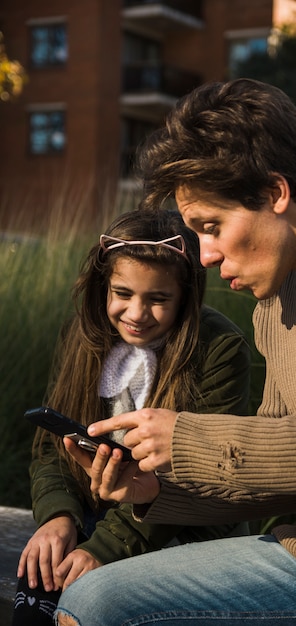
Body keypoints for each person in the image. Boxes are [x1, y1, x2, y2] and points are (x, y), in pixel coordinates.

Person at [54, 78, 296, 626]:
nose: (203, 257)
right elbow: (274, 467)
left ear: (275, 193)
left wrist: (190, 438)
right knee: (91, 604)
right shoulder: (279, 293)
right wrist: (155, 489)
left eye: (212, 226)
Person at [13, 207, 252, 626]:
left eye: (158, 299)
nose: (136, 314)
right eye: (122, 294)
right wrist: (57, 516)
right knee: (40, 575)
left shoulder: (221, 350)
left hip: (184, 530)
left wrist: (103, 548)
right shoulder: (83, 335)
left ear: (187, 297)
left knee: (91, 599)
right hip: (96, 513)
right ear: (103, 287)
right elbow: (55, 450)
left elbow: (199, 481)